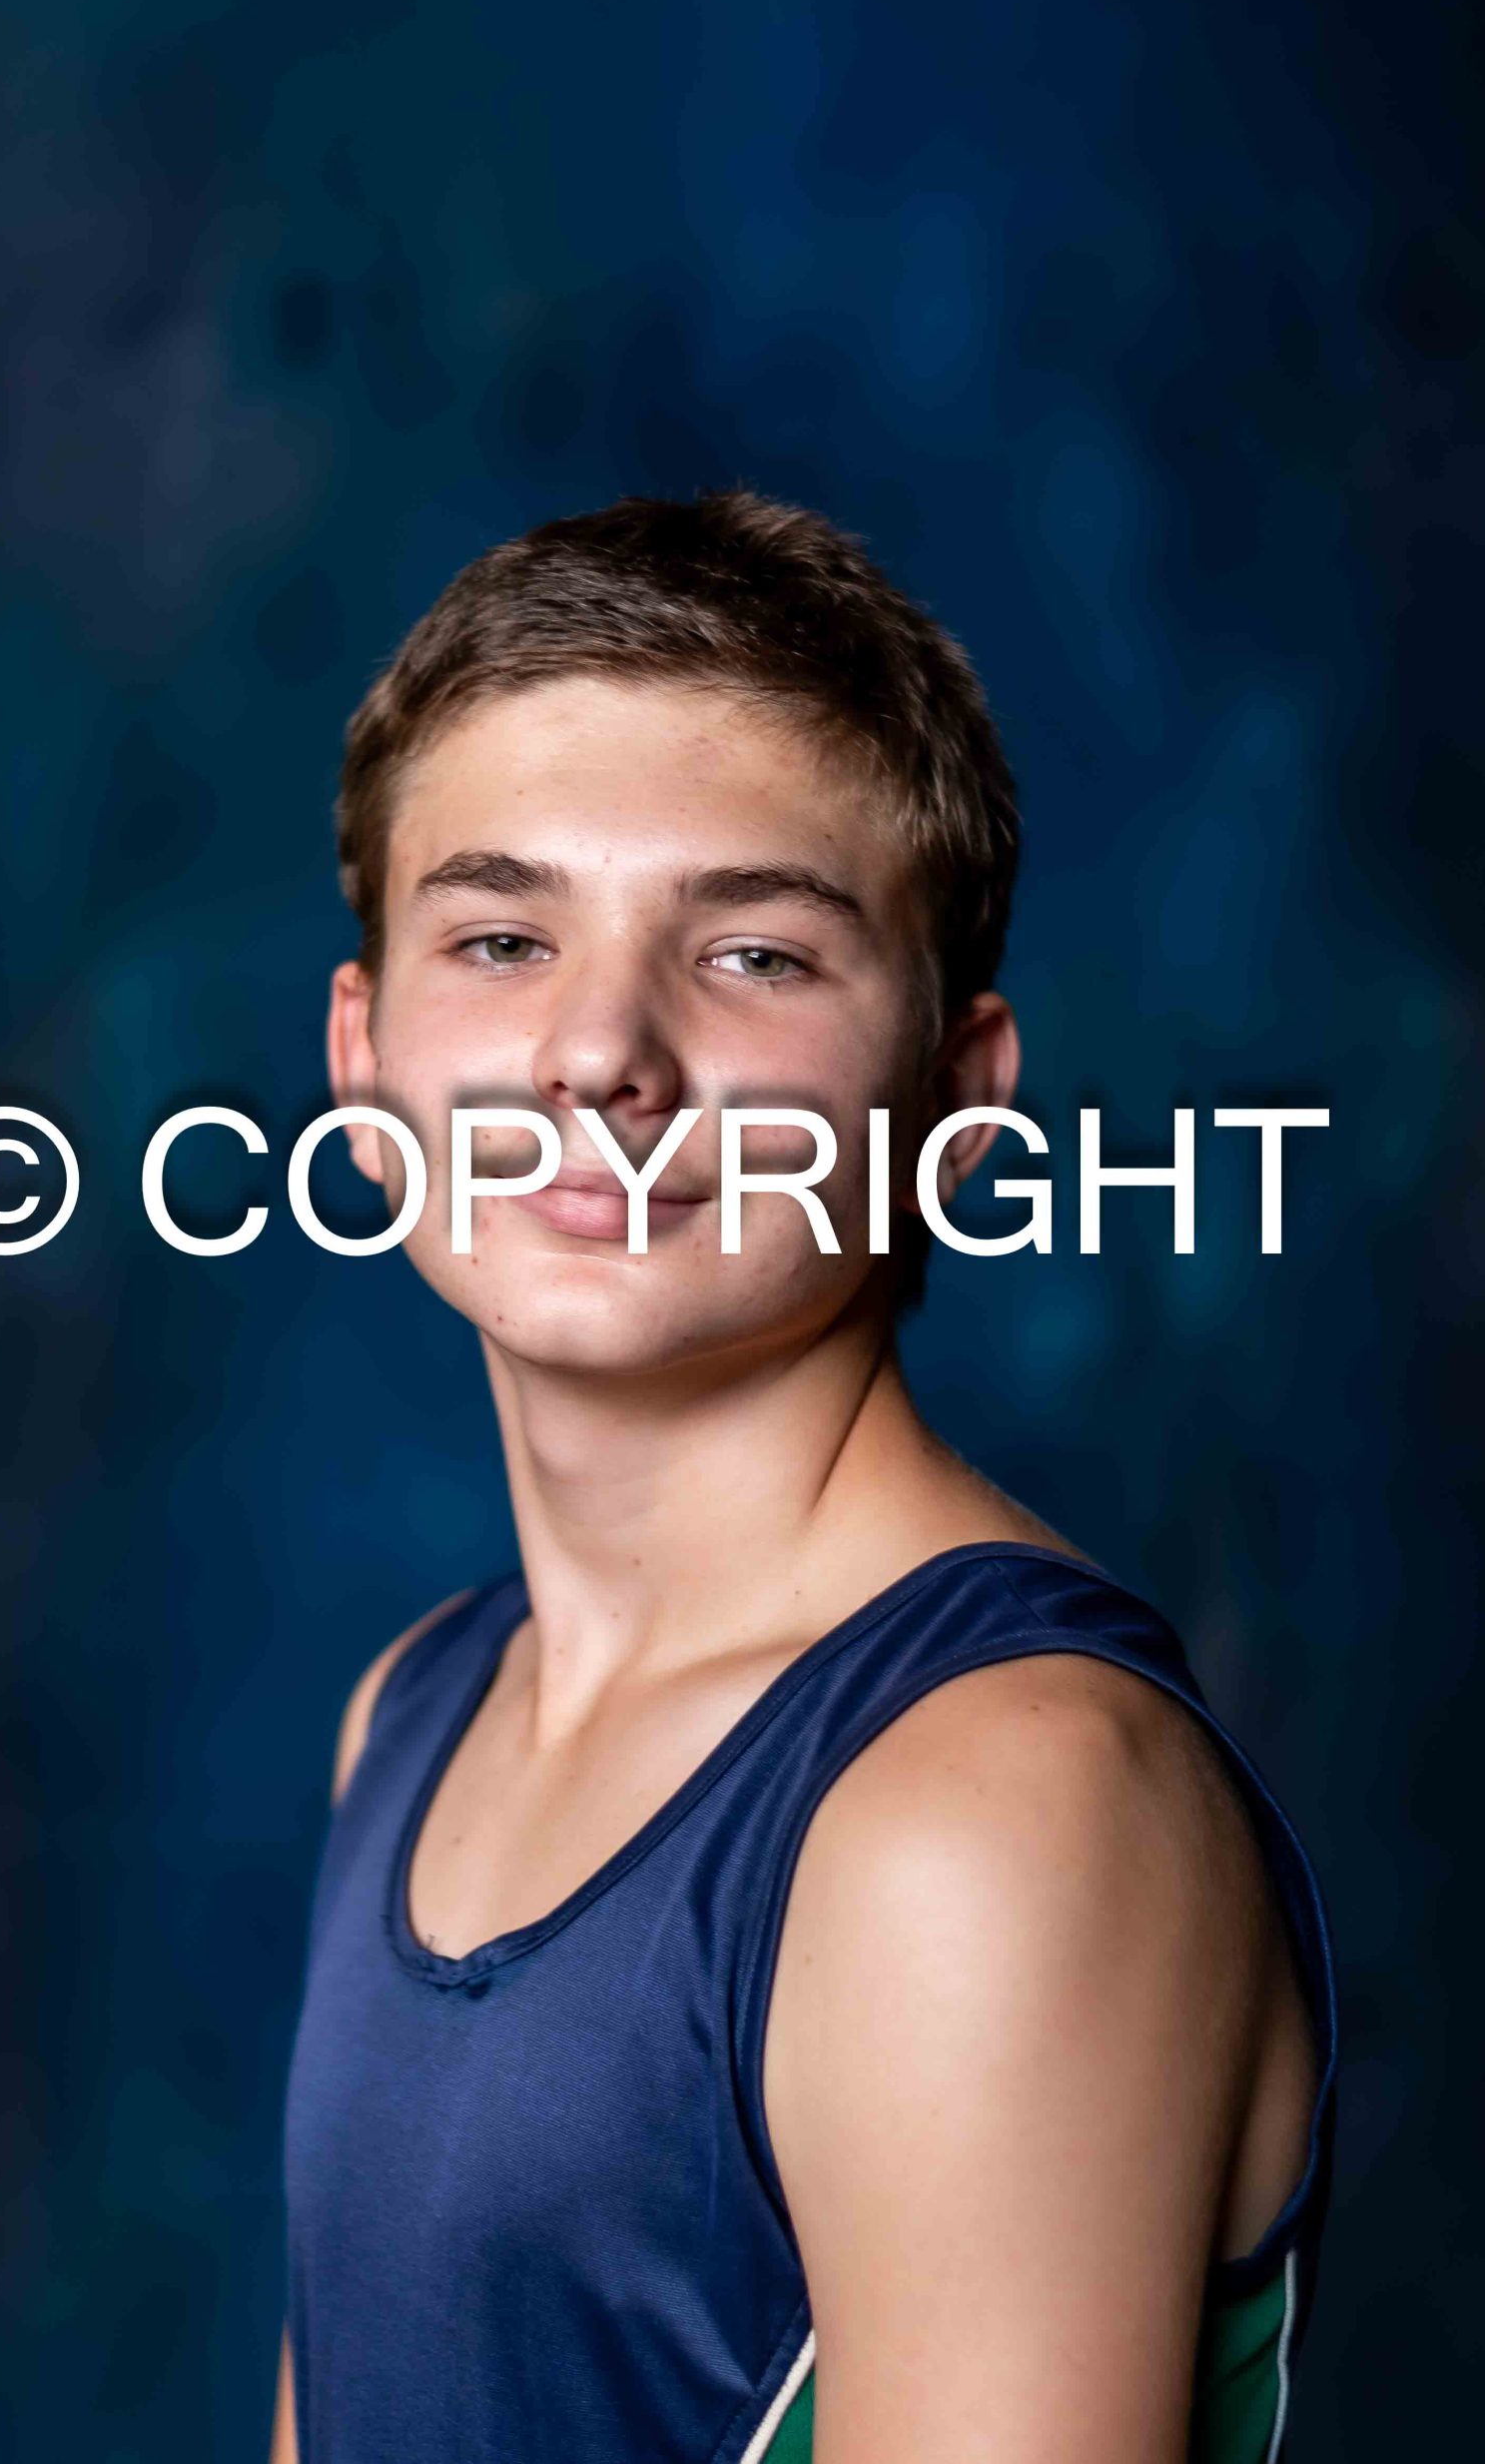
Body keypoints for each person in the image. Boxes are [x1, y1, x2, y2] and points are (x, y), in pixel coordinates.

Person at [270, 491, 1334, 2464]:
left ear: (954, 1097)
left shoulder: (994, 1803)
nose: (598, 1051)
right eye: (500, 938)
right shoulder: (411, 1711)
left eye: (754, 953)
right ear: (366, 1055)